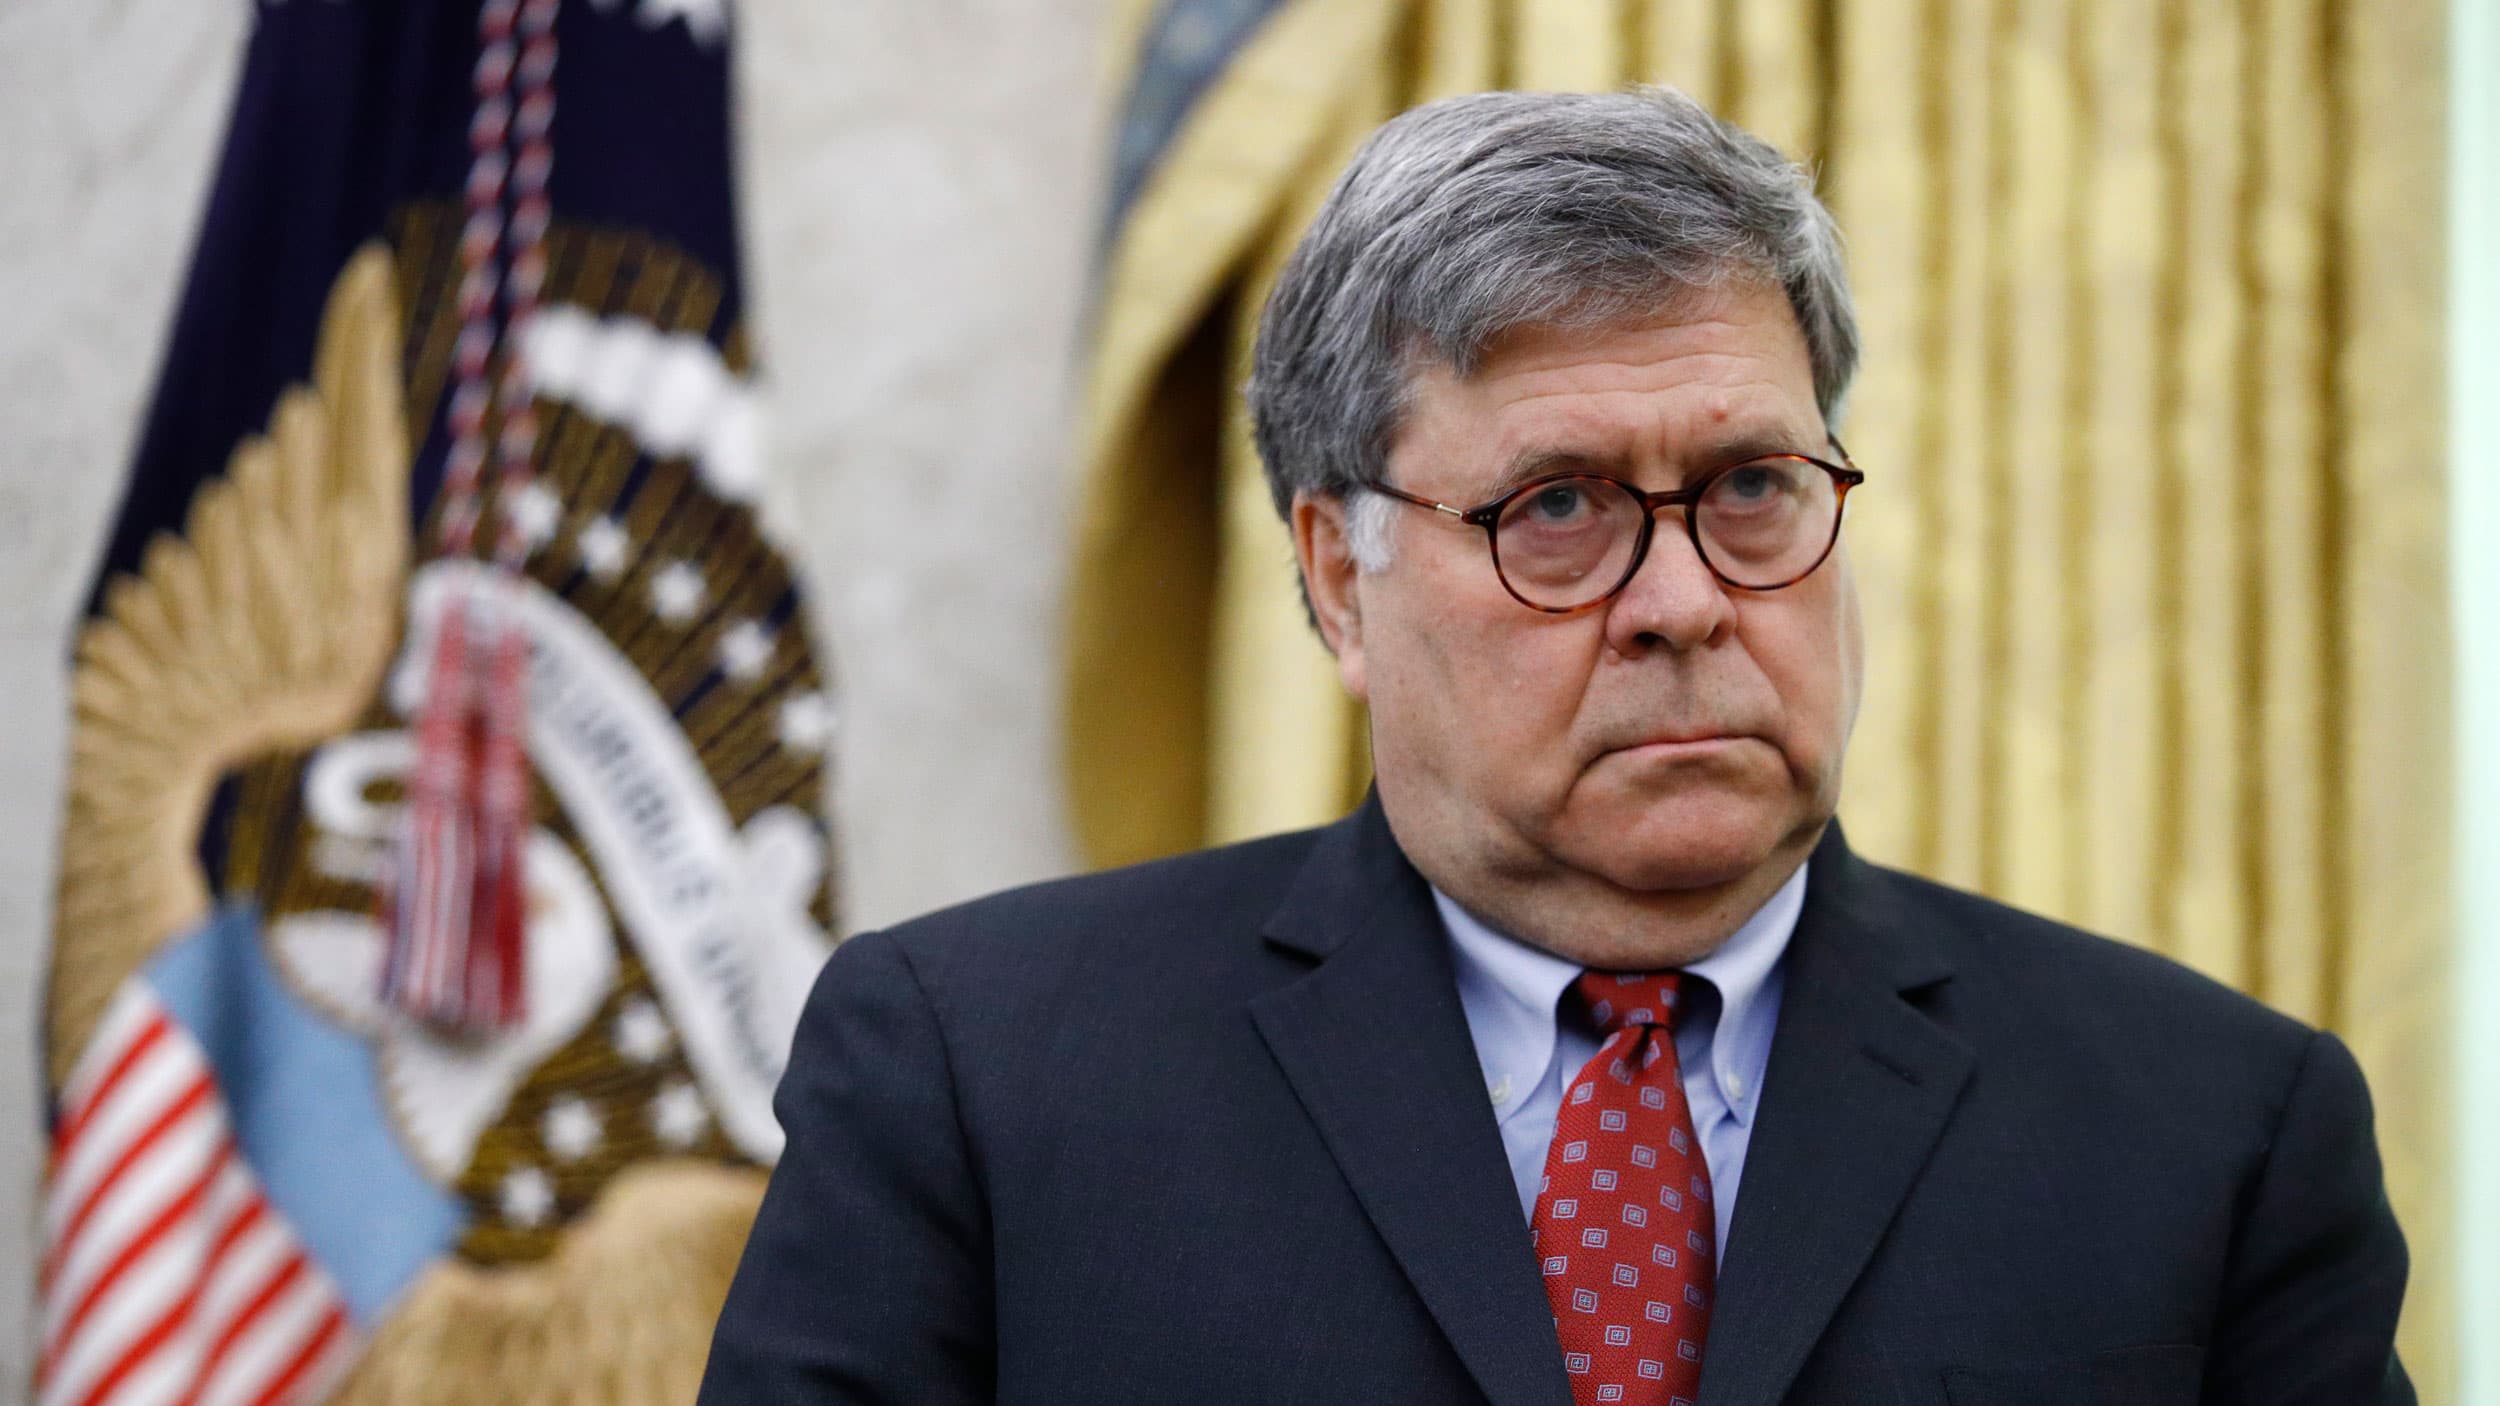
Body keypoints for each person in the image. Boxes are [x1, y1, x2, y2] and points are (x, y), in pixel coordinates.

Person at [697, 87, 2411, 1405]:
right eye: (1561, 507)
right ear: (1337, 579)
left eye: (1750, 487)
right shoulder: (977, 1082)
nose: (1683, 601)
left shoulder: (2217, 1133)